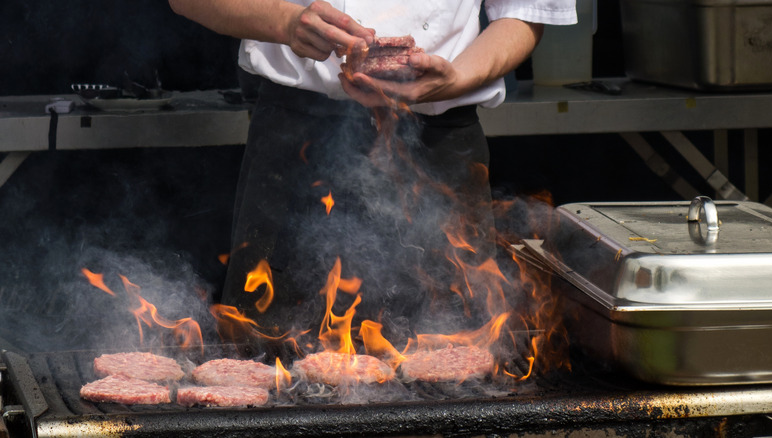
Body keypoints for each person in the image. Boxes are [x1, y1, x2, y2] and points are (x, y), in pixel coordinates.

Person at [168, 1, 577, 344]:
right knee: (266, 360)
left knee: (452, 371)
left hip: (437, 147)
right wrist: (284, 21)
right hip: (297, 148)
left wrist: (456, 78)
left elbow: (526, 12)